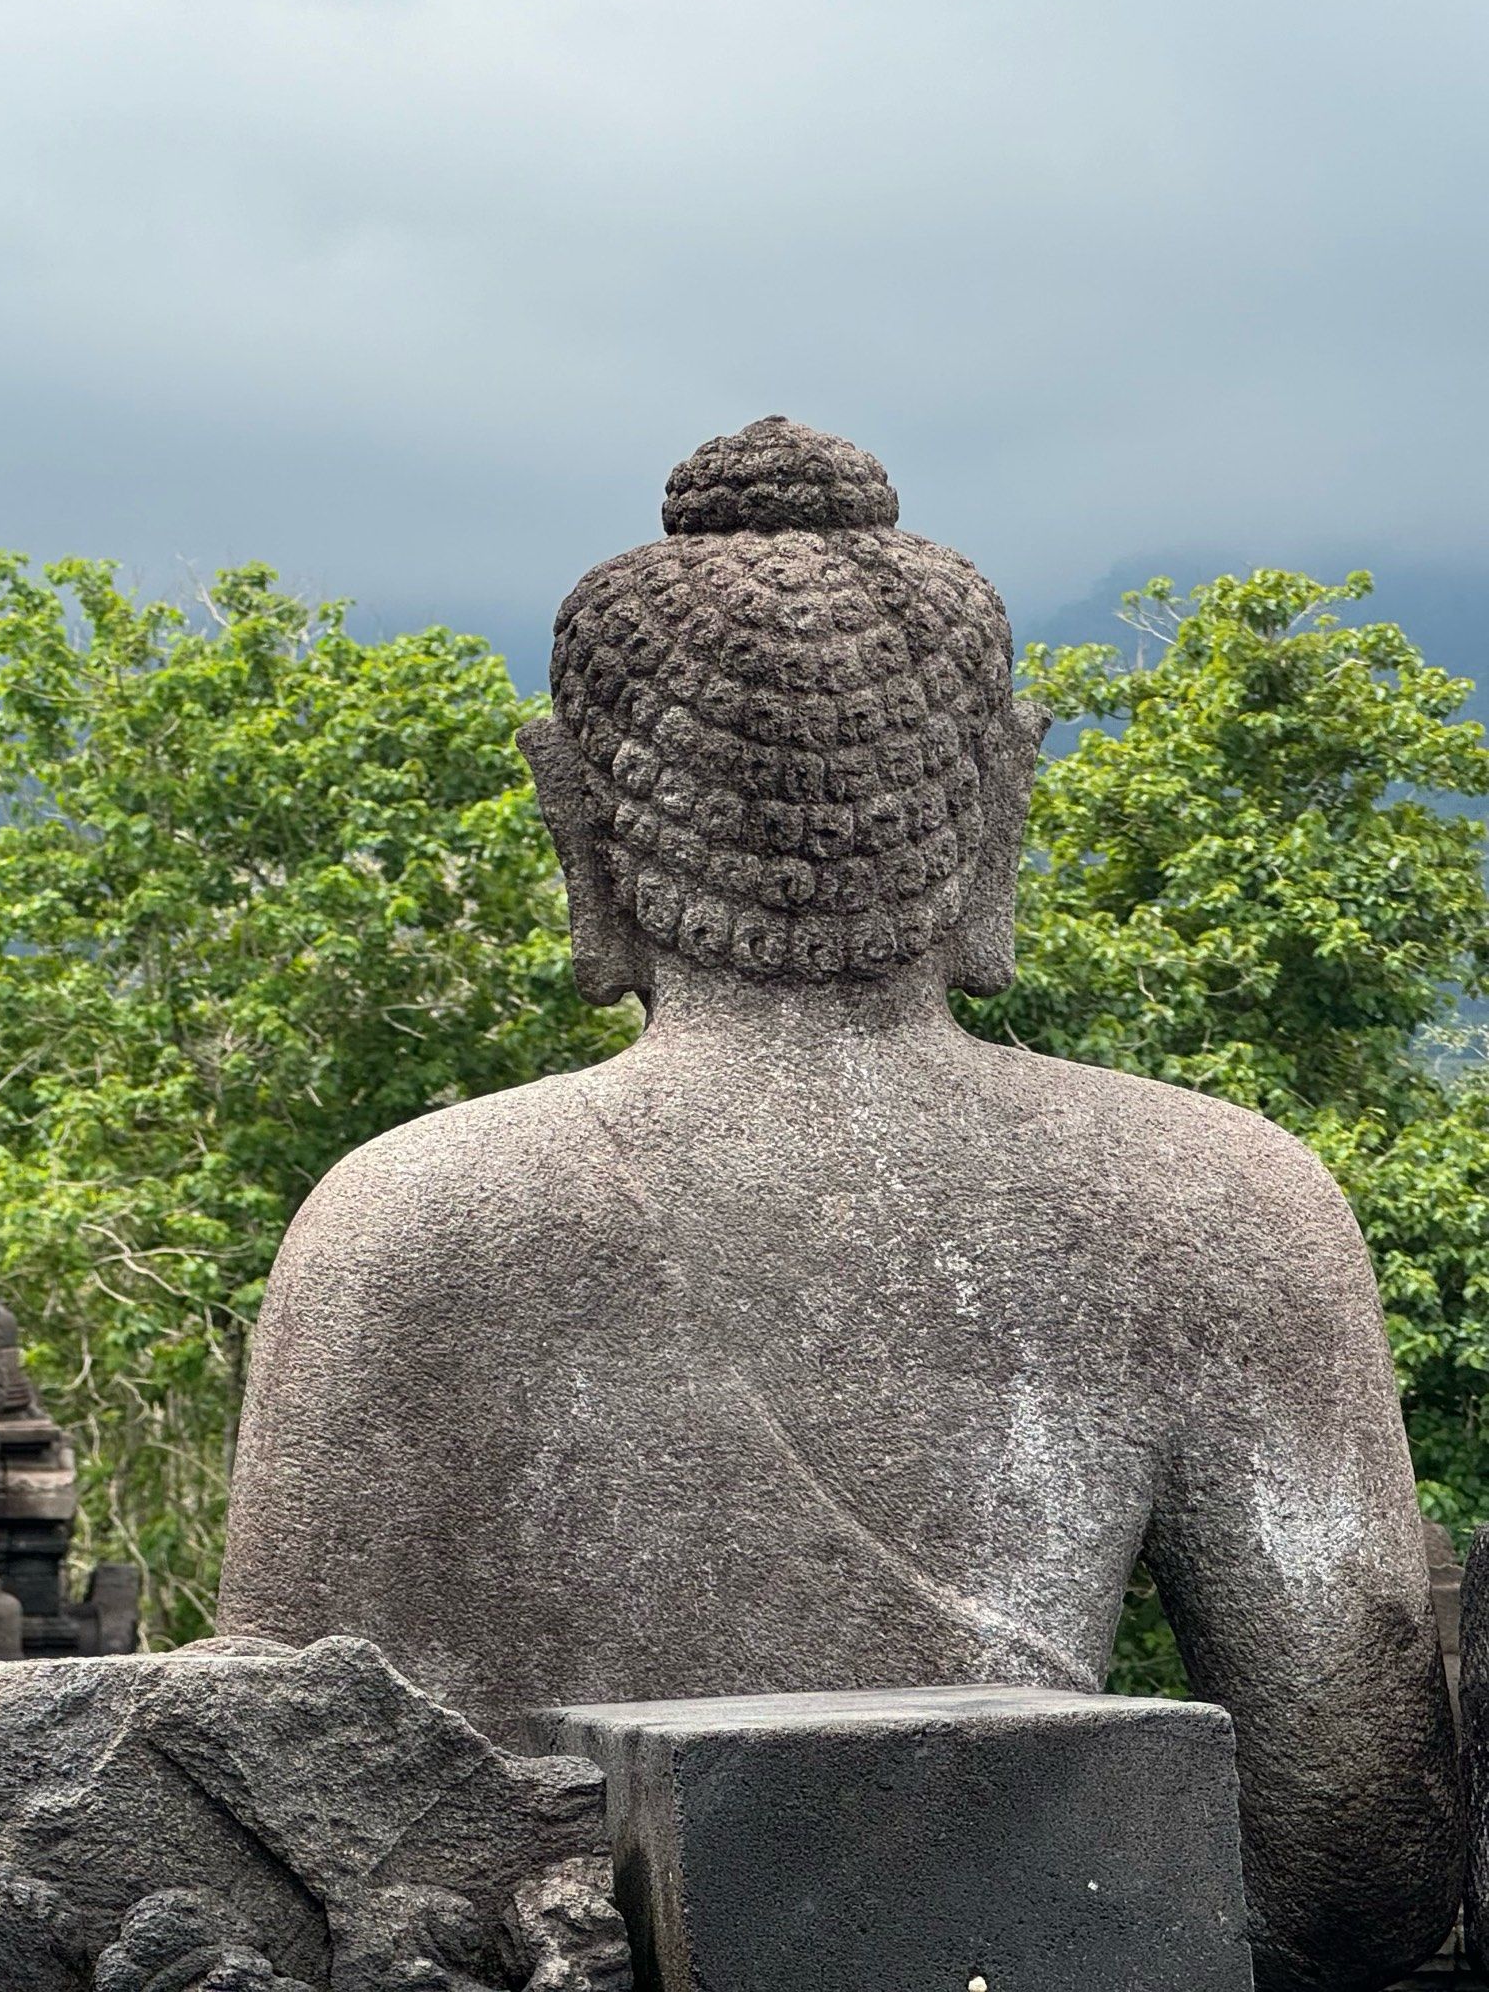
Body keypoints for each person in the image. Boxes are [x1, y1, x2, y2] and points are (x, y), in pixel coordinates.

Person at [217, 419, 1458, 1992]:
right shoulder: (1215, 1203)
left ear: (571, 813)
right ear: (1002, 795)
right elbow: (1347, 1861)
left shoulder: (400, 1220)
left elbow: (267, 1817)